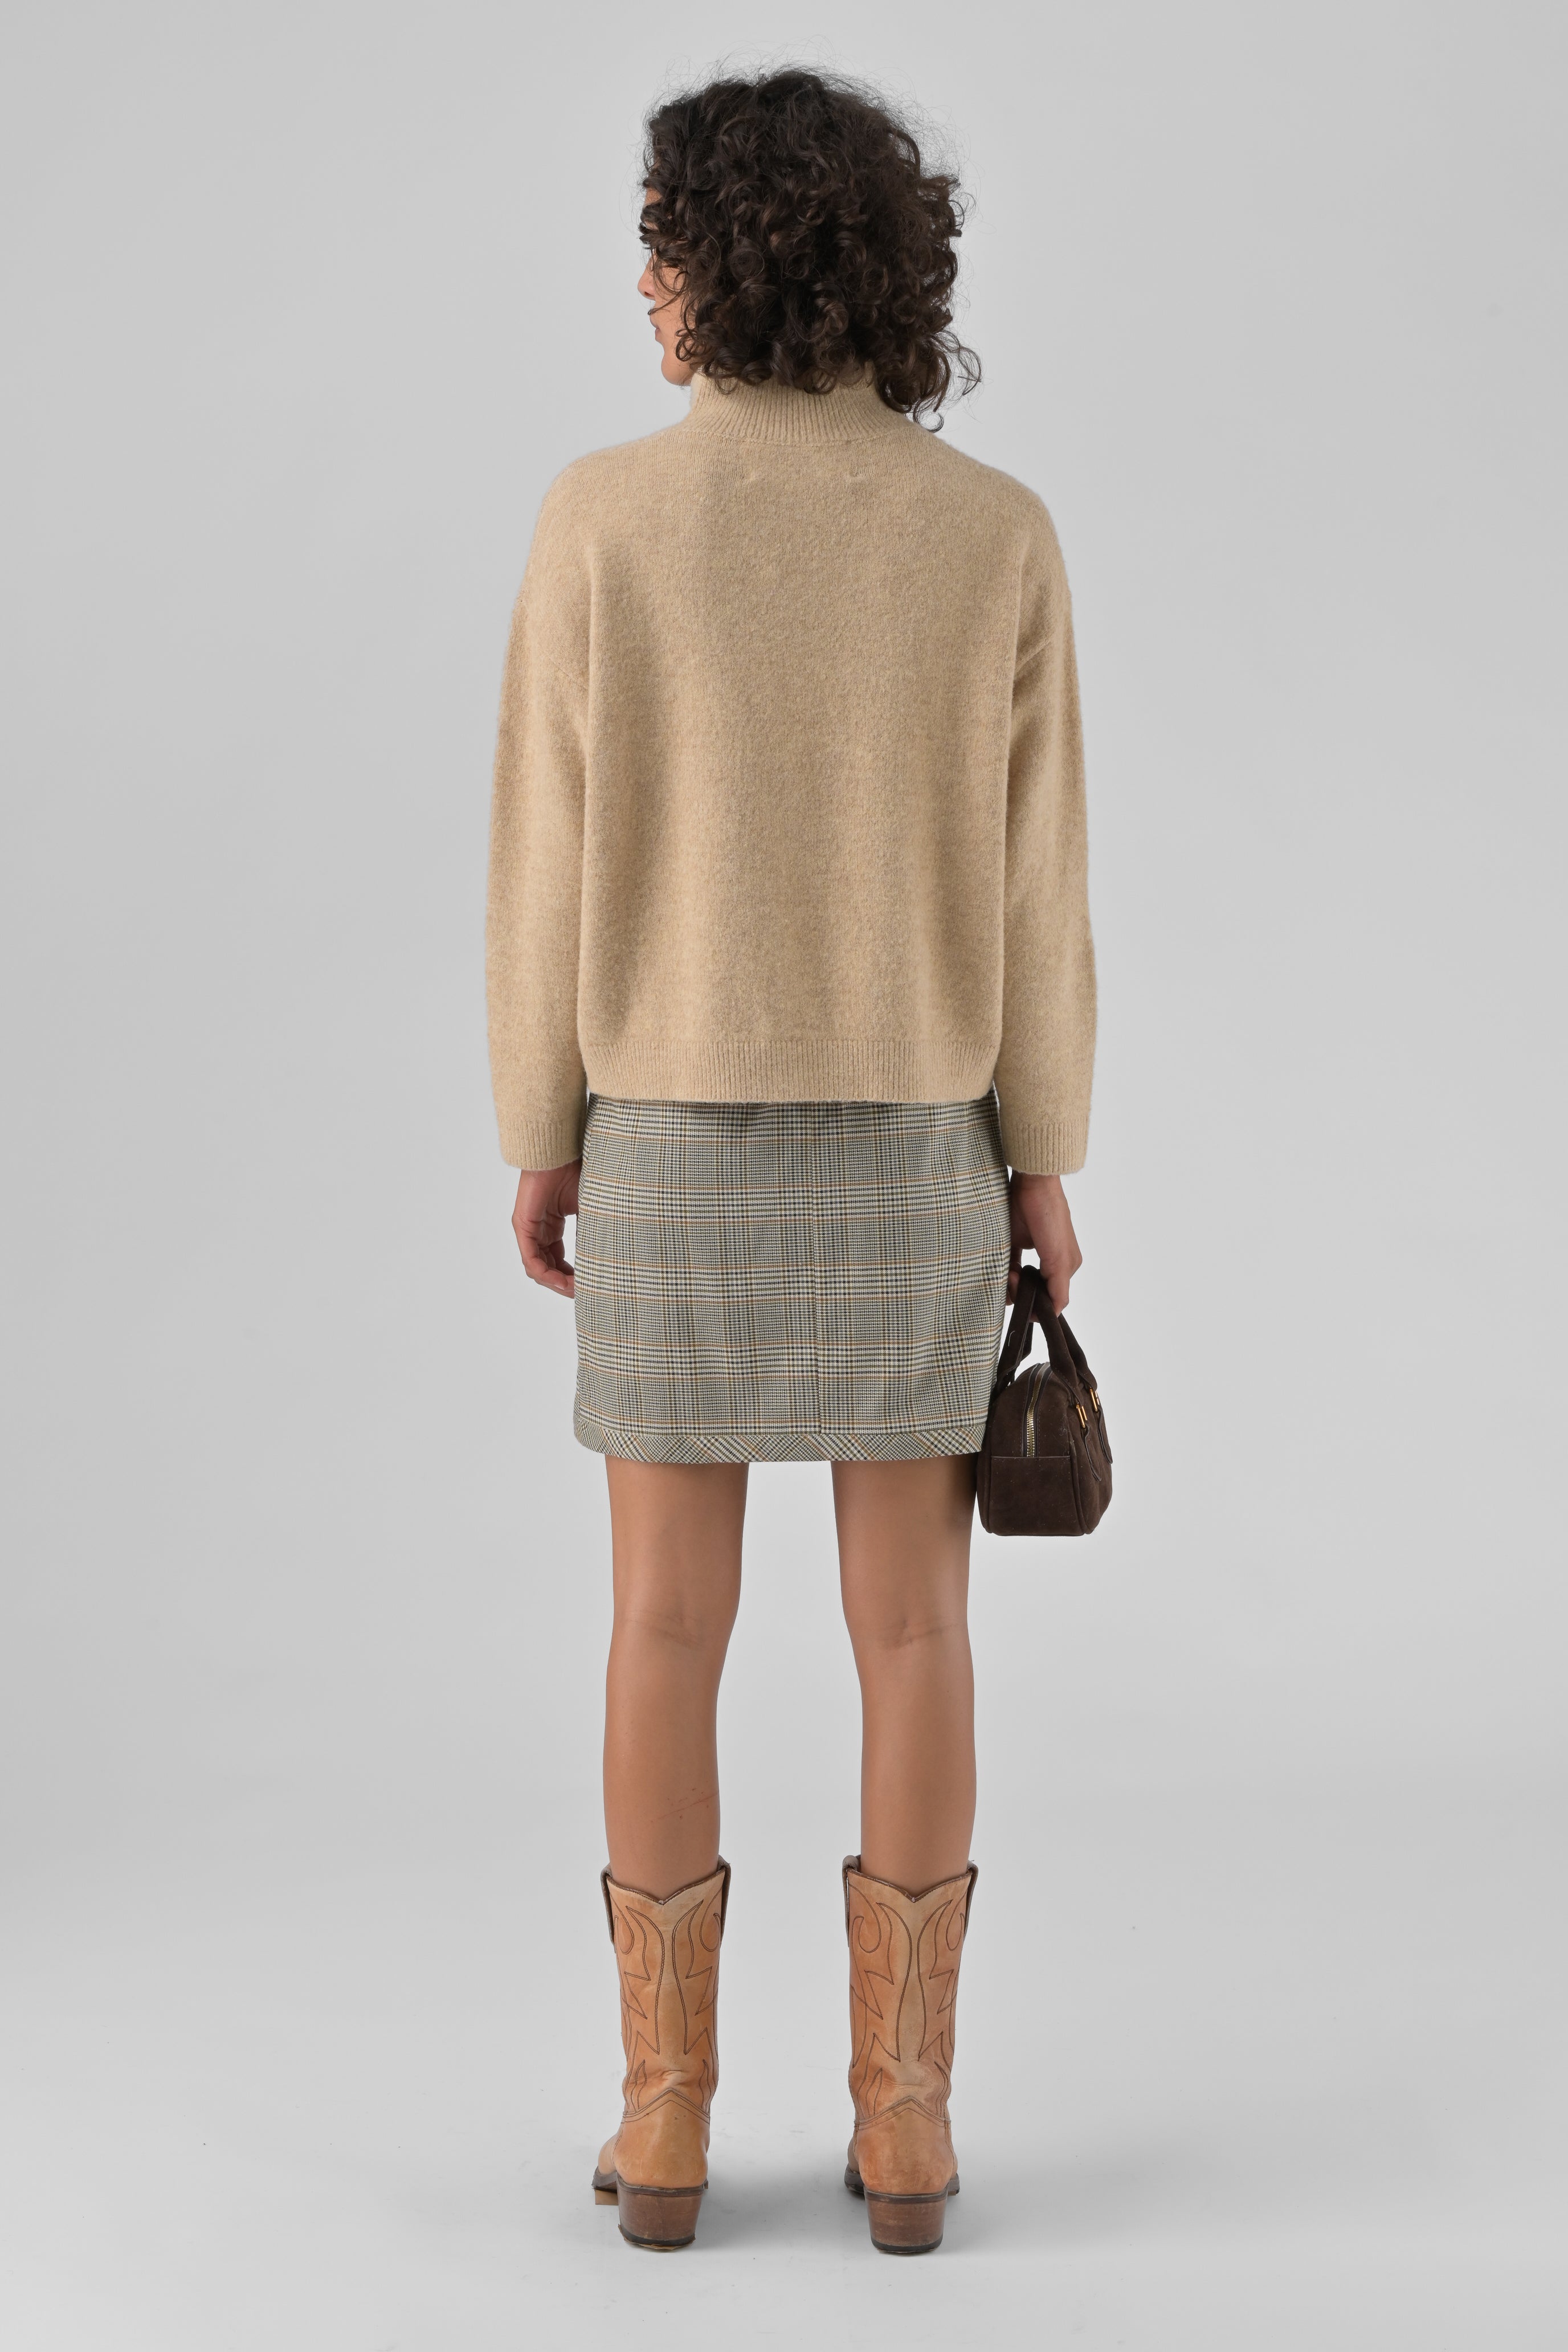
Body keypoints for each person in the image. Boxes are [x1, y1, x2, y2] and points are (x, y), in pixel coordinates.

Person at [485, 66, 1095, 2256]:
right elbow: (1038, 896)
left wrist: (539, 1129)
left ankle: (663, 2126)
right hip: (920, 1148)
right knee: (914, 1631)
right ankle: (906, 2126)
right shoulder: (991, 531)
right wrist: (1044, 1162)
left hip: (664, 1139)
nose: (644, 285)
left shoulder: (601, 519)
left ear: (713, 265)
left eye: (659, 244)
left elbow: (545, 863)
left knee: (663, 1626)